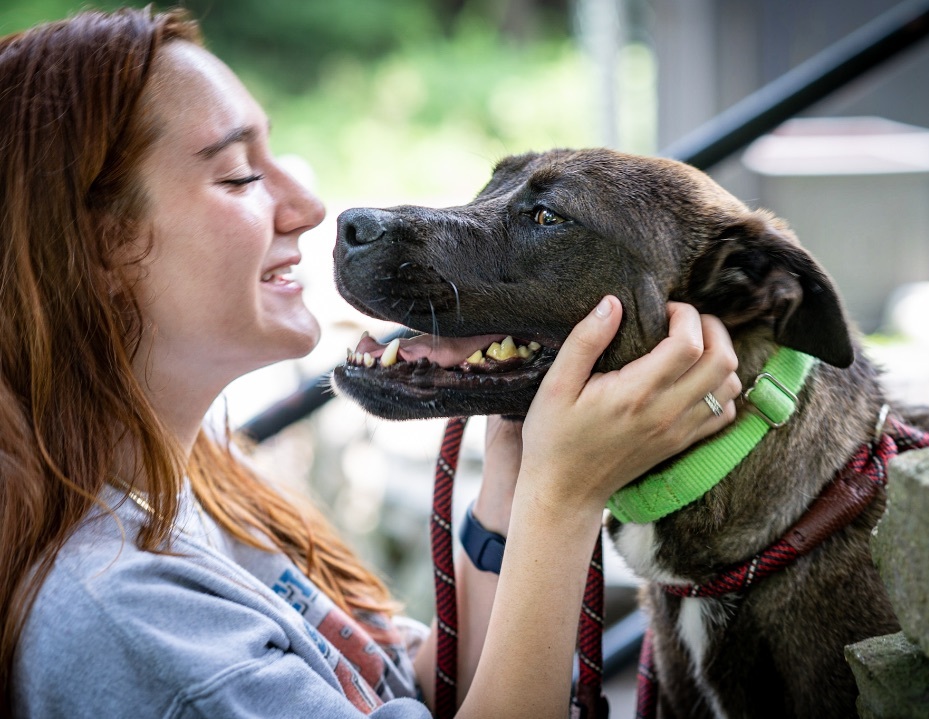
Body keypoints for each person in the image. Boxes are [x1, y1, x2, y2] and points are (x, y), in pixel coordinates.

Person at [0, 7, 741, 718]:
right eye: (237, 176)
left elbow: (418, 691)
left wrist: (515, 481)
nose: (310, 205)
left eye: (273, 155)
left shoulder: (206, 482)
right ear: (96, 249)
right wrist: (567, 495)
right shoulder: (127, 621)